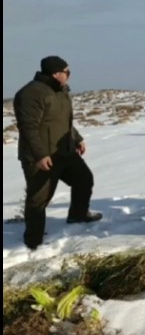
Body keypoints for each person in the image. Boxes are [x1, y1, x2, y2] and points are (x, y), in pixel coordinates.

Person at [13, 56, 102, 250]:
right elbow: (28, 128)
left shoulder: (61, 91)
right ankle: (33, 241)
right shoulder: (31, 93)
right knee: (39, 199)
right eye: (67, 72)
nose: (69, 76)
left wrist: (77, 138)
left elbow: (62, 121)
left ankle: (78, 215)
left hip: (64, 152)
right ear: (56, 74)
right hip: (42, 156)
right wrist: (39, 155)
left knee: (84, 179)